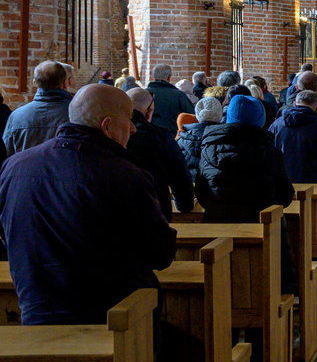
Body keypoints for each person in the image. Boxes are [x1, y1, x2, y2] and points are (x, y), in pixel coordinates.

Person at [0, 84, 176, 325]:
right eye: (128, 119)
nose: (133, 128)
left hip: (35, 306)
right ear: (107, 126)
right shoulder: (124, 174)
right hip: (112, 315)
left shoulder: (15, 166)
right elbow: (160, 254)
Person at [196, 95, 295, 222]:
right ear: (260, 119)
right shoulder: (270, 152)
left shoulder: (208, 149)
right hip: (262, 224)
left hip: (219, 223)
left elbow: (202, 192)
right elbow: (285, 195)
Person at [125, 88, 195, 220]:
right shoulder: (161, 136)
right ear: (149, 111)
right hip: (156, 209)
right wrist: (185, 206)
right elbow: (179, 174)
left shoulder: (111, 133)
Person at [269, 90, 317, 184]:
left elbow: (270, 152)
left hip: (283, 181)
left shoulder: (276, 124)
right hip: (313, 180)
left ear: (294, 104)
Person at [3, 61, 72, 156]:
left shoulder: (16, 116)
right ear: (65, 83)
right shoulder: (76, 114)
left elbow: (6, 153)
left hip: (26, 169)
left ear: (34, 82)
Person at [177, 96, 223, 182]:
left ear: (197, 115)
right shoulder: (226, 137)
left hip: (190, 187)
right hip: (217, 188)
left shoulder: (182, 140)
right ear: (220, 114)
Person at [146, 64, 195, 133]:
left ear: (153, 76)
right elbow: (191, 116)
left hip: (149, 135)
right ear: (169, 77)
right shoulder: (179, 95)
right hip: (173, 137)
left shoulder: (144, 94)